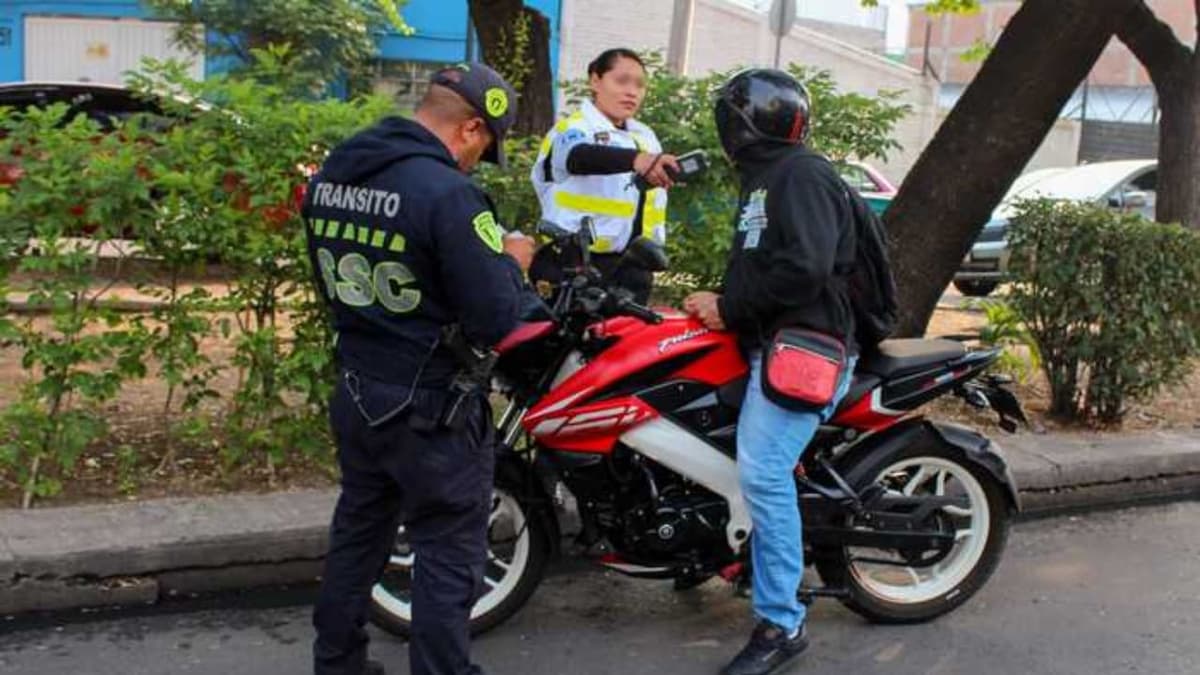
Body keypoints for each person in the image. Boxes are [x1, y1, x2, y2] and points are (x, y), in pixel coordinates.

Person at [304, 62, 535, 675]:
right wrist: (512, 261)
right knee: (448, 549)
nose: (475, 164)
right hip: (430, 406)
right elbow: (493, 317)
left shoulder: (333, 175)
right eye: (484, 149)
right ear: (471, 130)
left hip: (357, 387)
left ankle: (337, 663)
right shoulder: (449, 195)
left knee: (359, 534)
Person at [684, 69, 859, 675]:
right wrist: (722, 299)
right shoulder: (766, 179)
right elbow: (769, 265)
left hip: (807, 348)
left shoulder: (802, 174)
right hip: (771, 339)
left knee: (762, 470)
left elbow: (806, 269)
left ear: (746, 121)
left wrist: (729, 306)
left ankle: (783, 622)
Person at [529, 48, 679, 304]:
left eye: (640, 85)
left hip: (633, 267)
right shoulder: (573, 128)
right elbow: (578, 157)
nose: (632, 91)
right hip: (575, 265)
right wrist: (636, 159)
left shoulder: (644, 135)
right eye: (621, 81)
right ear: (595, 81)